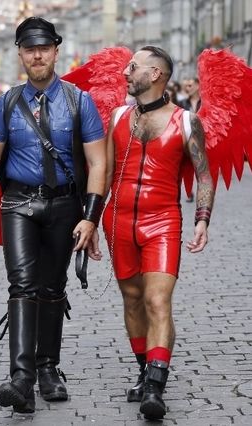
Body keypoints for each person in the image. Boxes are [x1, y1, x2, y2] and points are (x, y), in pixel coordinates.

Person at [0, 16, 106, 413]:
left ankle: (49, 369)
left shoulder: (79, 101)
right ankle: (22, 378)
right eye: (29, 49)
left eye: (43, 48)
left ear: (55, 51)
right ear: (20, 54)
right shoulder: (8, 102)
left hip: (65, 205)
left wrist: (91, 216)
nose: (37, 55)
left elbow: (98, 163)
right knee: (23, 285)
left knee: (52, 288)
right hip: (18, 205)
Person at [102, 46, 214, 420]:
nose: (125, 72)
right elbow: (103, 174)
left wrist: (202, 219)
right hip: (117, 221)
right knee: (132, 300)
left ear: (155, 75)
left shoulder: (186, 121)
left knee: (156, 301)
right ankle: (143, 369)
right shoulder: (118, 115)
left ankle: (155, 386)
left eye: (133, 66)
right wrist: (89, 218)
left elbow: (204, 176)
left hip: (162, 221)